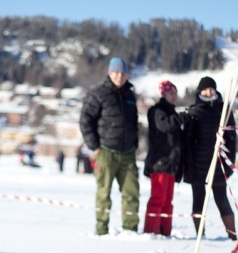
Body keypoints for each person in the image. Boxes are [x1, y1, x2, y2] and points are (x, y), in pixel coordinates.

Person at [79, 57, 139, 235]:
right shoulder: (98, 93)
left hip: (128, 153)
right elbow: (85, 120)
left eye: (123, 73)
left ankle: (130, 230)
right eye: (116, 72)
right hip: (106, 151)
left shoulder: (130, 95)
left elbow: (134, 122)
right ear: (110, 73)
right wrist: (95, 147)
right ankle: (101, 229)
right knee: (104, 193)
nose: (120, 76)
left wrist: (134, 142)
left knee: (131, 193)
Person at [183, 75, 237, 240]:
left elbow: (232, 139)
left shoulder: (224, 110)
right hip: (198, 166)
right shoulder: (194, 111)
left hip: (219, 165)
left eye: (211, 89)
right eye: (205, 89)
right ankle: (201, 235)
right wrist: (188, 166)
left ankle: (232, 235)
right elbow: (187, 141)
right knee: (198, 200)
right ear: (200, 92)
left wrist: (229, 164)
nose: (209, 92)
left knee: (222, 199)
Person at [143, 80, 186, 236]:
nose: (174, 96)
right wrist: (183, 117)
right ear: (164, 94)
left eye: (175, 93)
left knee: (168, 201)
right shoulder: (158, 111)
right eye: (170, 93)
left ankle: (164, 232)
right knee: (158, 199)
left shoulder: (172, 112)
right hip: (159, 163)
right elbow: (166, 126)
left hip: (171, 164)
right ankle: (151, 231)